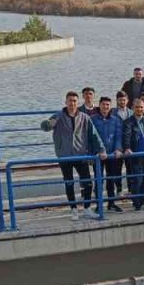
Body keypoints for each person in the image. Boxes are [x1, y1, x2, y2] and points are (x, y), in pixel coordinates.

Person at [40, 91, 105, 219]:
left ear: (78, 102)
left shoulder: (84, 117)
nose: (72, 103)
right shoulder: (58, 117)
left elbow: (94, 135)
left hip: (81, 155)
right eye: (70, 100)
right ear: (66, 102)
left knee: (88, 183)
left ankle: (87, 208)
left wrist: (101, 149)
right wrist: (47, 124)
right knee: (69, 183)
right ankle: (73, 209)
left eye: (75, 101)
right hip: (65, 156)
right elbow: (46, 126)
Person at [122, 96, 144, 211]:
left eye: (141, 107)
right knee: (137, 180)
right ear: (132, 108)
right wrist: (127, 147)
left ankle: (142, 200)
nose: (139, 109)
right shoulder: (128, 122)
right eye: (137, 107)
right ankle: (136, 203)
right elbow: (126, 136)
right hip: (137, 156)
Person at [91, 96, 124, 212]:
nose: (105, 107)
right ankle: (99, 204)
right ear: (99, 105)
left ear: (110, 106)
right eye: (103, 104)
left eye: (108, 105)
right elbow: (91, 137)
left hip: (111, 154)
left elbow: (118, 136)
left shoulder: (115, 120)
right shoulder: (93, 119)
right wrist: (98, 151)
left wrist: (118, 149)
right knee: (98, 180)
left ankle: (111, 203)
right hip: (98, 155)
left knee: (111, 179)